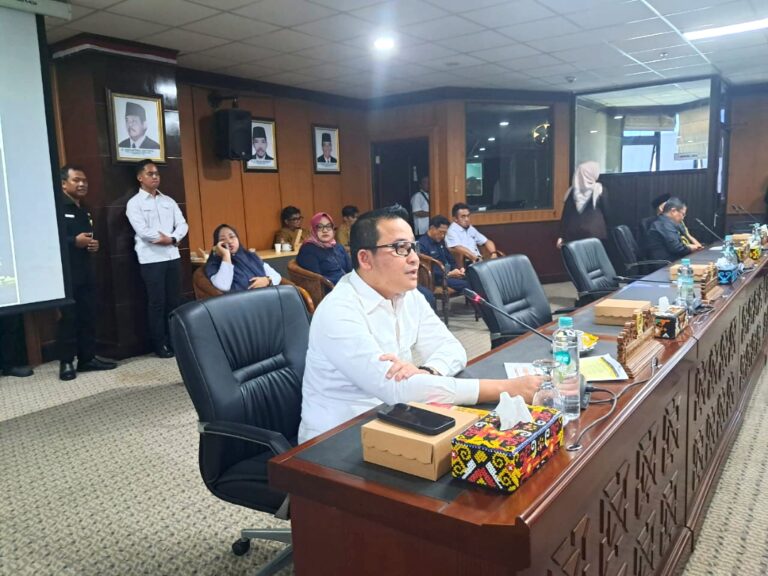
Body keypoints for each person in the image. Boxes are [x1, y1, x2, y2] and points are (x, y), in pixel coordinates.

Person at [297, 206, 541, 442]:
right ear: (365, 259)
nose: (414, 259)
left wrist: (427, 371)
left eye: (413, 247)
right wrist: (506, 389)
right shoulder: (338, 311)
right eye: (401, 248)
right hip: (337, 437)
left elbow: (453, 349)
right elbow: (396, 389)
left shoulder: (407, 294)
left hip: (397, 417)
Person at [58, 165, 117, 380]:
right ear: (63, 184)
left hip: (86, 270)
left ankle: (87, 358)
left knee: (88, 315)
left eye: (84, 181)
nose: (82, 184)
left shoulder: (84, 208)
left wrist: (93, 245)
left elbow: (87, 237)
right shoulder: (57, 207)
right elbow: (50, 240)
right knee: (69, 318)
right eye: (76, 180)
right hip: (66, 274)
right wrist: (73, 241)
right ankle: (66, 362)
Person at [126, 160, 188, 358]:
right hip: (151, 259)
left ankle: (175, 341)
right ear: (140, 177)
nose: (155, 177)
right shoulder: (134, 203)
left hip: (172, 256)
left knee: (174, 301)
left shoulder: (168, 201)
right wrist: (165, 239)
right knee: (157, 303)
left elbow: (183, 224)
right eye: (150, 173)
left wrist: (172, 239)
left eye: (157, 174)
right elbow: (143, 231)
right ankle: (159, 344)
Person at [205, 224, 281, 292]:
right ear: (217, 245)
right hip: (241, 302)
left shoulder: (250, 256)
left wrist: (267, 280)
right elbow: (224, 286)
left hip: (266, 297)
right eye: (222, 239)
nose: (229, 241)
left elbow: (277, 276)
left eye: (232, 237)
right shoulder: (214, 264)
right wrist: (226, 256)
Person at [556, 161, 608, 249]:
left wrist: (561, 236)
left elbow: (565, 215)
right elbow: (607, 212)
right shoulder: (599, 190)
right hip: (595, 234)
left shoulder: (571, 192)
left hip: (572, 234)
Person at [296, 213, 352, 286]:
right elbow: (316, 280)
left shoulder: (338, 246)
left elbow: (351, 269)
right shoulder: (308, 250)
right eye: (319, 227)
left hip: (348, 285)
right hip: (331, 289)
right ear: (313, 229)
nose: (325, 230)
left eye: (328, 226)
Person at [417, 215, 468, 292]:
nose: (443, 235)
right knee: (466, 284)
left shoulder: (440, 241)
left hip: (449, 274)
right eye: (440, 232)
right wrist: (448, 274)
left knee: (474, 278)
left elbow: (450, 259)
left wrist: (458, 269)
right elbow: (427, 270)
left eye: (445, 233)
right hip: (438, 278)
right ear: (432, 228)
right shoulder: (422, 244)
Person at [645, 197, 702, 262]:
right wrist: (691, 247)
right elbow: (677, 248)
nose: (683, 218)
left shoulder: (667, 222)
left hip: (673, 260)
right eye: (683, 214)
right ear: (673, 211)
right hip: (666, 264)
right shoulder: (664, 224)